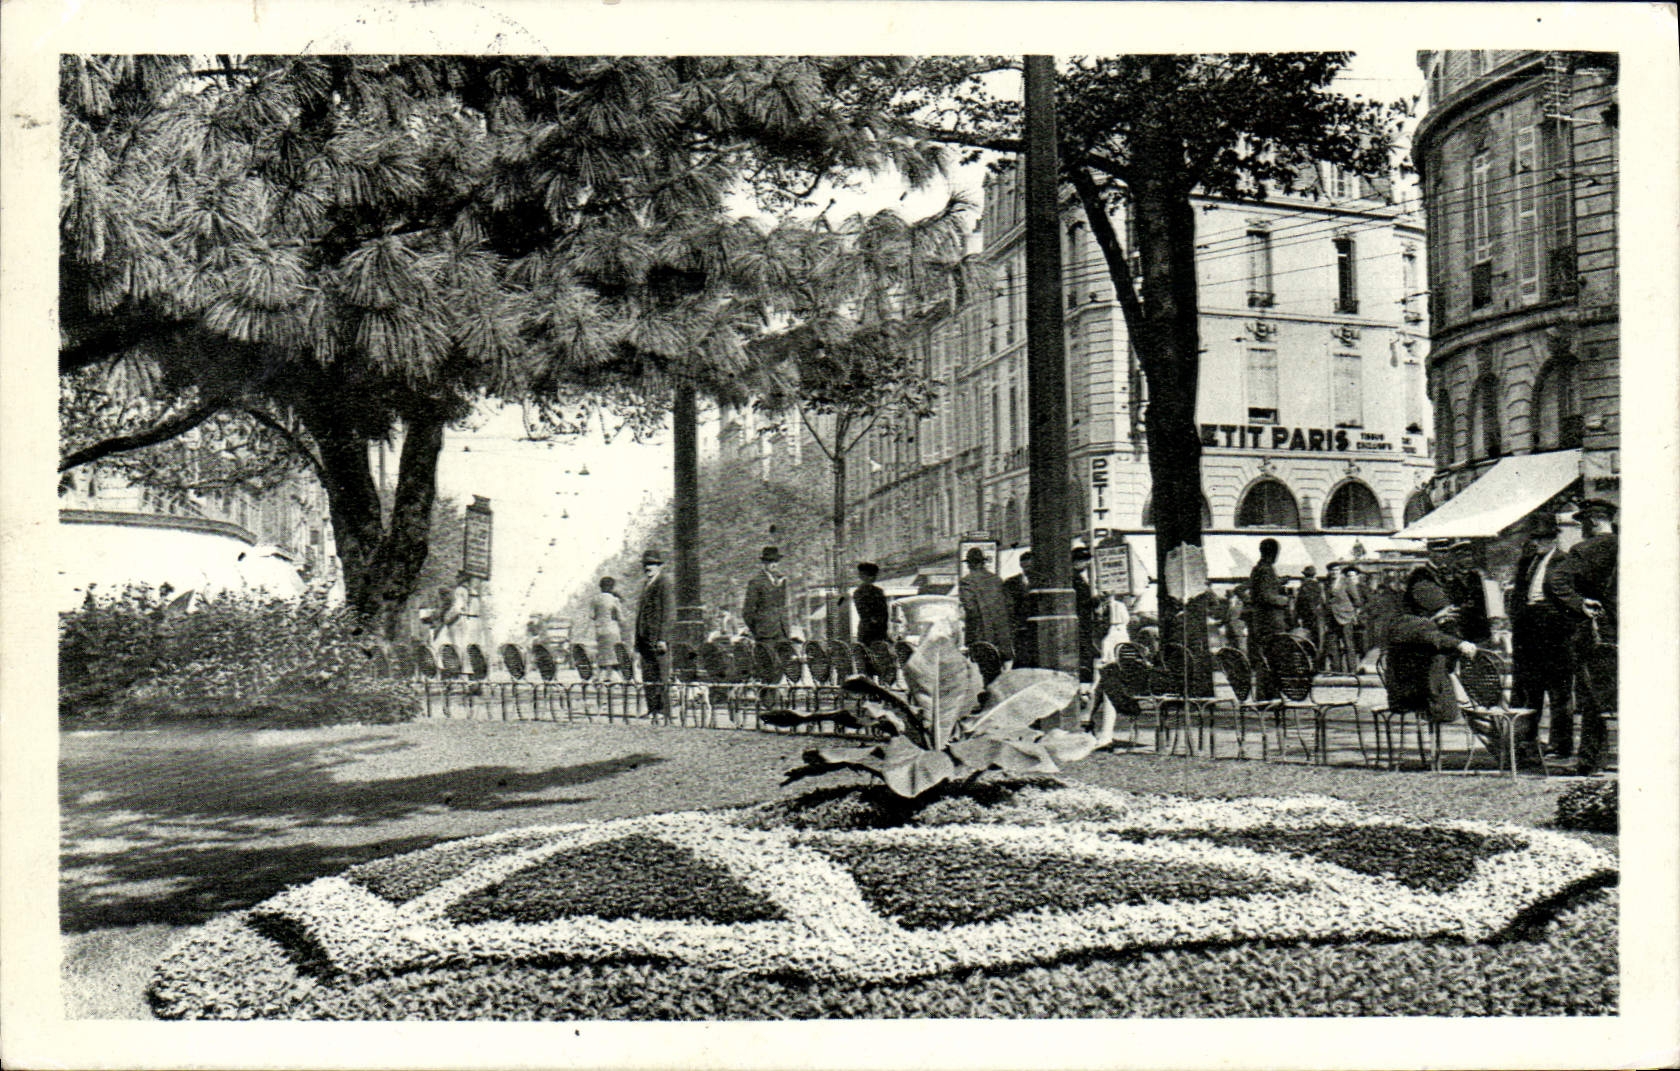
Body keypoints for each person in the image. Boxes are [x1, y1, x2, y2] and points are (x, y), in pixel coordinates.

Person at [1545, 498, 1619, 775]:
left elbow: (1555, 581)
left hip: (1599, 633)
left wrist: (1579, 604)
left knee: (1593, 698)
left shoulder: (1585, 550)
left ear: (1591, 521)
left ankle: (1592, 762)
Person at [1508, 514, 1573, 760]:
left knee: (1559, 694)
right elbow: (1519, 597)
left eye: (1545, 538)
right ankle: (1527, 743)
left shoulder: (1564, 561)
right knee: (1530, 691)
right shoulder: (1528, 563)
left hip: (1554, 635)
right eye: (1536, 538)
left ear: (1555, 537)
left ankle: (1560, 745)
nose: (1539, 542)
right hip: (1529, 634)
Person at [1246, 538, 1293, 697]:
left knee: (1264, 660)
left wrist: (1279, 582)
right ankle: (1270, 696)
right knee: (1273, 660)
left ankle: (1264, 696)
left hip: (1261, 622)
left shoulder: (1257, 569)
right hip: (1271, 623)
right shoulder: (1266, 569)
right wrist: (1285, 600)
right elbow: (1266, 596)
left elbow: (1262, 590)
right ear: (1273, 553)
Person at [958, 546, 1013, 661]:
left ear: (970, 564)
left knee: (983, 670)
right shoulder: (997, 580)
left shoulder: (967, 582)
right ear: (982, 563)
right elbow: (1009, 604)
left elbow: (970, 609)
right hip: (1002, 635)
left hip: (981, 635)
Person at [634, 549, 670, 718]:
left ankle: (663, 710)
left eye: (652, 564)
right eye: (646, 565)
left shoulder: (665, 582)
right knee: (648, 674)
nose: (648, 567)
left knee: (660, 674)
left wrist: (663, 638)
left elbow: (668, 613)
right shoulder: (645, 584)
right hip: (644, 639)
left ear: (659, 566)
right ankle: (652, 709)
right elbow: (640, 614)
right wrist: (637, 642)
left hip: (657, 639)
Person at [1436, 541, 1492, 646]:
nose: (1469, 559)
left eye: (1470, 556)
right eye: (1464, 556)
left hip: (1479, 624)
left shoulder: (1477, 576)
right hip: (1459, 625)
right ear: (1456, 559)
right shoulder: (1447, 577)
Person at [741, 545, 791, 645]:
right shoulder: (756, 582)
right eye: (770, 561)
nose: (774, 564)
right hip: (765, 635)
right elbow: (747, 611)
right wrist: (758, 629)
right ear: (764, 563)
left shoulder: (782, 580)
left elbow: (783, 606)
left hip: (782, 632)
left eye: (776, 561)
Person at [1000, 551, 1036, 667]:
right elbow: (1008, 606)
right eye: (1025, 566)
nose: (1027, 569)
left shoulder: (1041, 581)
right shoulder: (1011, 583)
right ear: (1021, 565)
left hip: (1037, 629)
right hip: (1019, 628)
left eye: (1030, 566)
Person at [1327, 566, 1365, 672]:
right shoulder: (1328, 583)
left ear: (1340, 572)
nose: (1334, 572)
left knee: (1348, 644)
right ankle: (1336, 670)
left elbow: (1357, 600)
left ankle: (1352, 670)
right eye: (1332, 570)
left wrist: (1352, 612)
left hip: (1345, 617)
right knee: (1333, 644)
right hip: (1332, 618)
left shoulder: (1347, 582)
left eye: (1336, 570)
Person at [1071, 545, 1100, 682]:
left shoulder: (1079, 578)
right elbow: (1081, 601)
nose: (1087, 564)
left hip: (1083, 621)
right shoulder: (1074, 579)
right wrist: (1095, 601)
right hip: (1081, 622)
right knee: (1085, 653)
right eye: (1084, 560)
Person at [1293, 565, 1328, 663]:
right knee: (1319, 641)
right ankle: (1320, 663)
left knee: (1310, 641)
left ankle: (1313, 662)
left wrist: (1298, 617)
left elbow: (1298, 605)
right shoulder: (1319, 586)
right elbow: (1324, 602)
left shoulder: (1303, 587)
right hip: (1318, 616)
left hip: (1308, 617)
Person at [590, 576, 626, 666]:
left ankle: (602, 675)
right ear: (612, 587)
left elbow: (592, 616)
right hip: (612, 630)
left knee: (602, 655)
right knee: (615, 656)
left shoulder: (594, 599)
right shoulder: (615, 600)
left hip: (600, 630)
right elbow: (620, 617)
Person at [852, 561, 890, 646]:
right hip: (875, 631)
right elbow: (882, 613)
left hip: (866, 630)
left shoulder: (858, 592)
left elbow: (864, 613)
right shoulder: (878, 591)